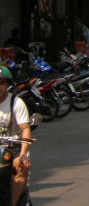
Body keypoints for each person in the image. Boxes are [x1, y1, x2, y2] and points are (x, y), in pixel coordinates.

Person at [0, 66, 31, 206]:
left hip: (14, 148)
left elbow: (25, 129)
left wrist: (23, 154)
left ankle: (12, 203)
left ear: (7, 85)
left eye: (1, 83)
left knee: (21, 169)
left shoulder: (16, 103)